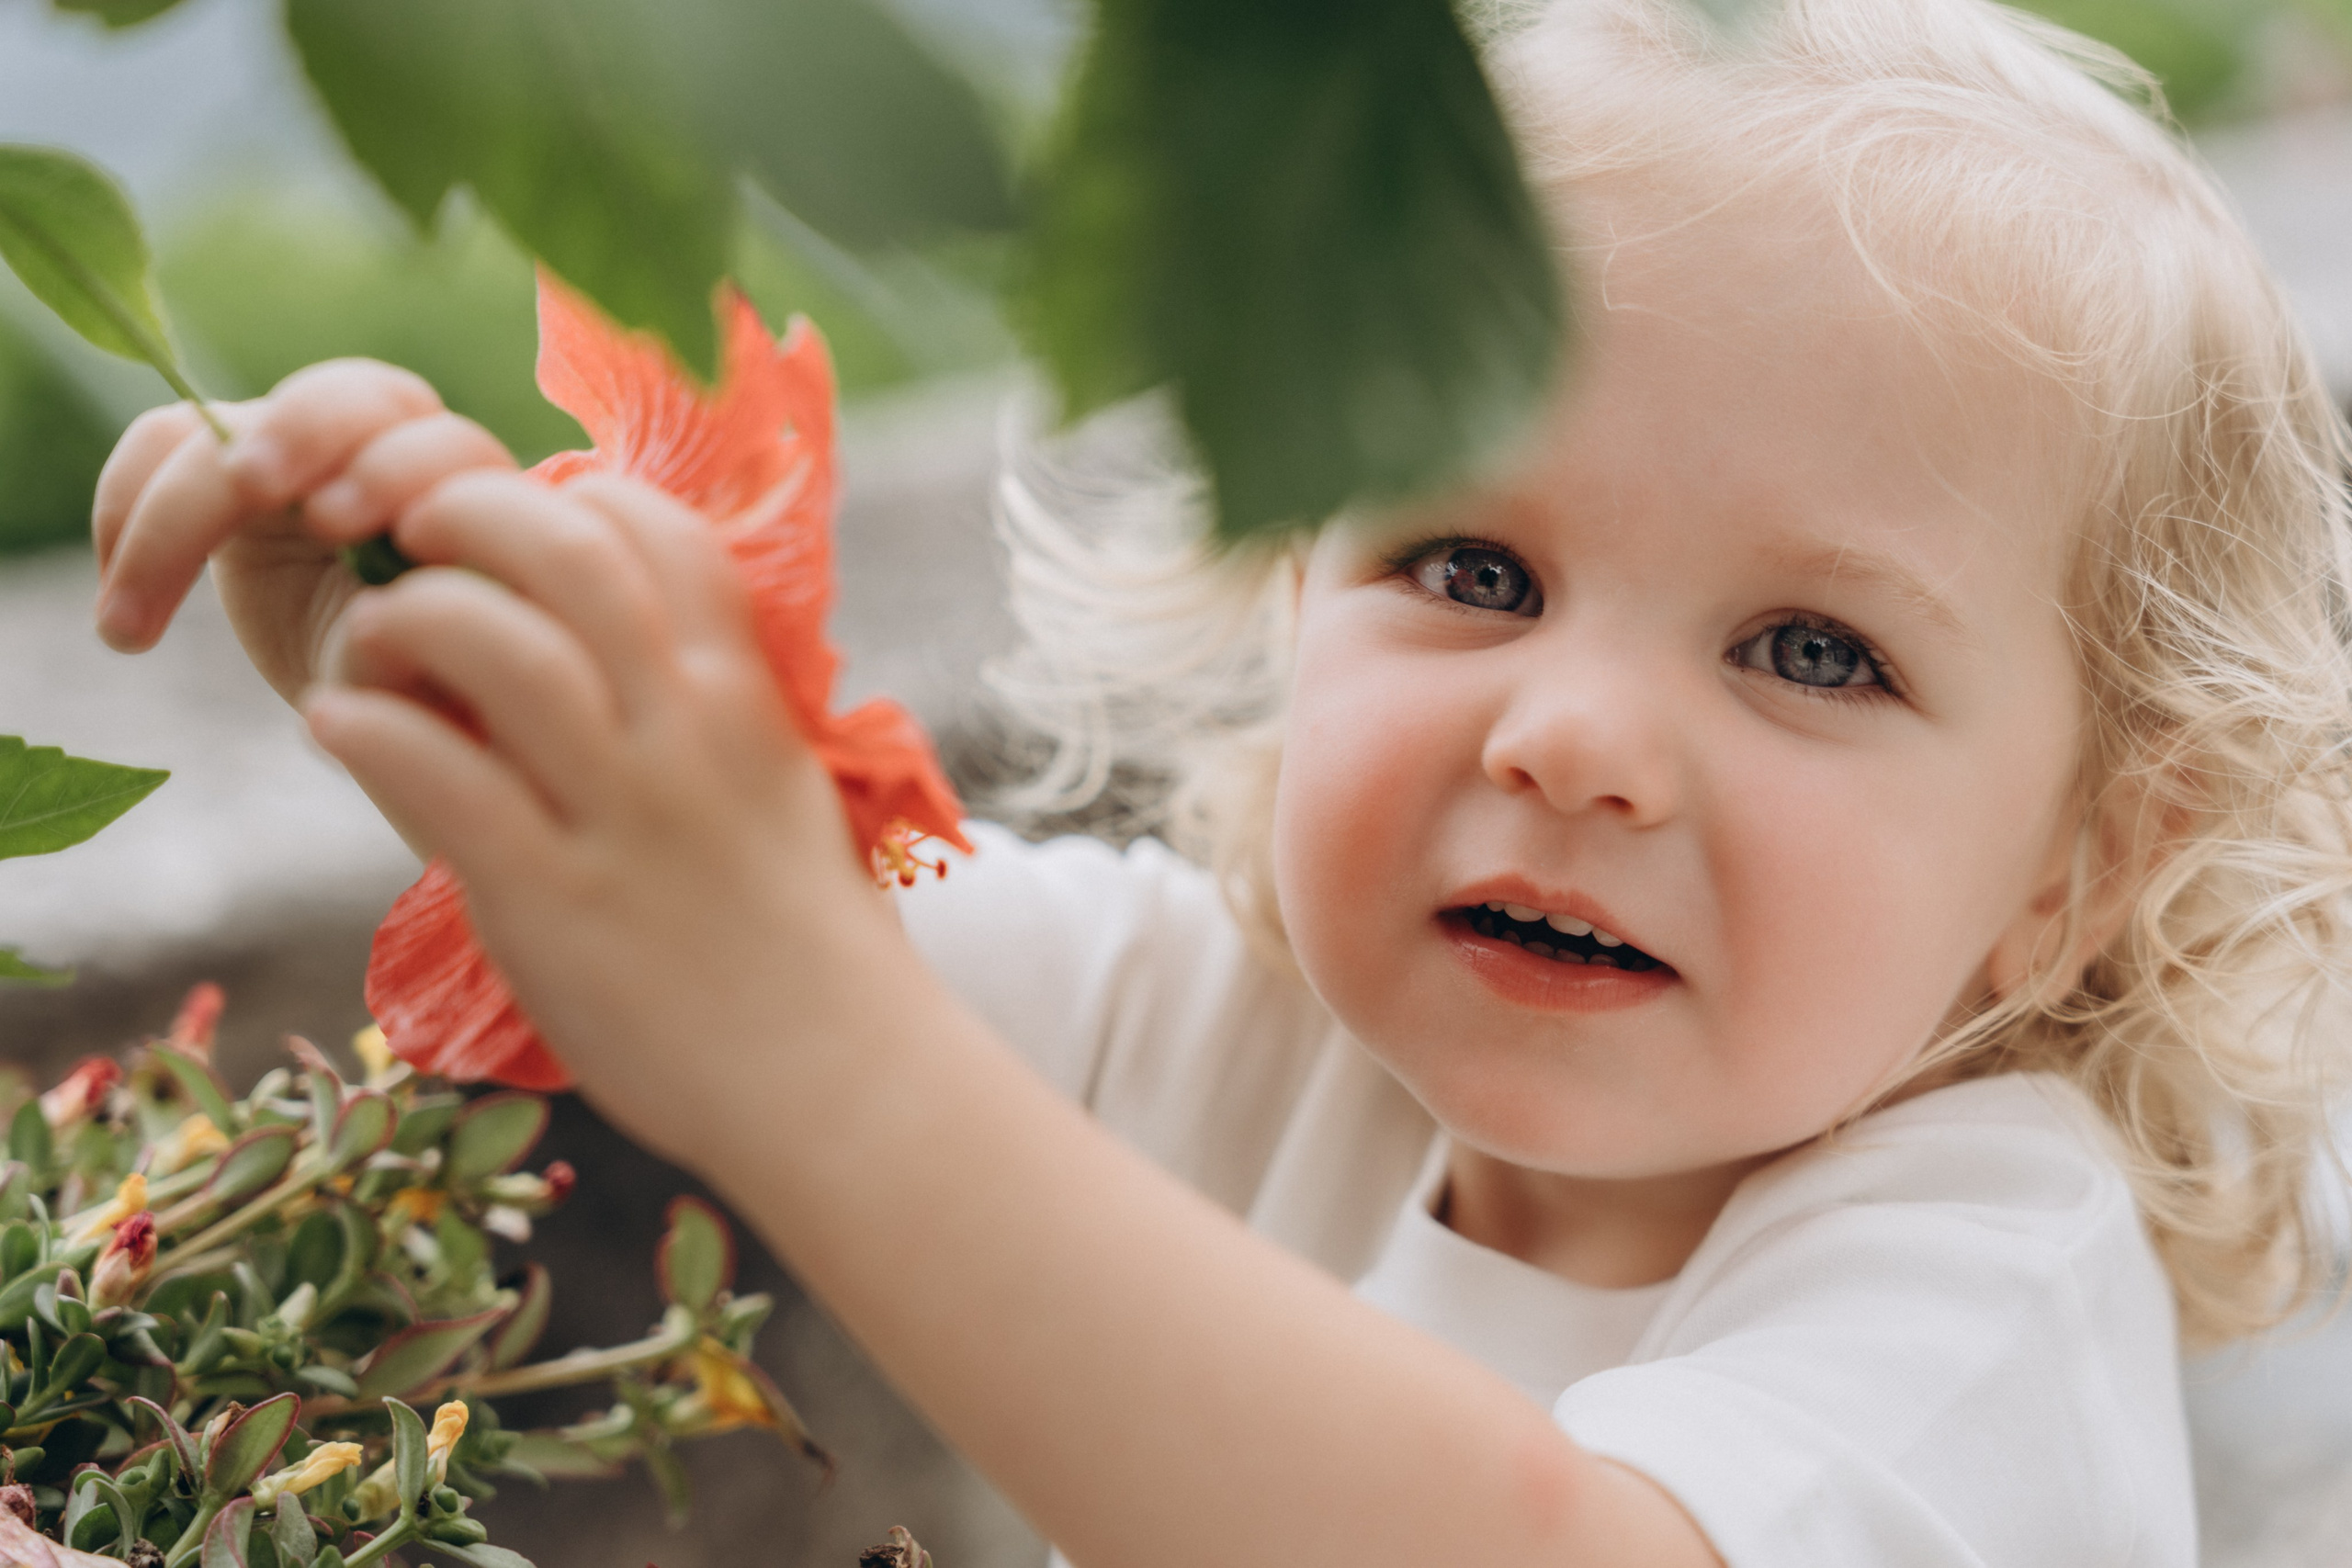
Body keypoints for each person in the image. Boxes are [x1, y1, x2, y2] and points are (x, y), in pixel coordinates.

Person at [83, 0, 2352, 1562]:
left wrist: (808, 1045)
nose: (1567, 735)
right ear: (1290, 600)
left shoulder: (1979, 1273)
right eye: (1470, 568)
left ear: (2077, 864)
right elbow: (788, 901)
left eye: (1810, 651)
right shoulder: (1240, 1013)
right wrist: (427, 643)